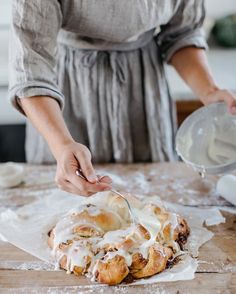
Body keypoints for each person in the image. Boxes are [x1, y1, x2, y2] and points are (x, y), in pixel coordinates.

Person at [9, 0, 236, 196]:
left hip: (144, 92)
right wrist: (62, 145)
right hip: (65, 96)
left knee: (156, 205)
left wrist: (209, 90)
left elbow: (182, 33)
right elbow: (32, 68)